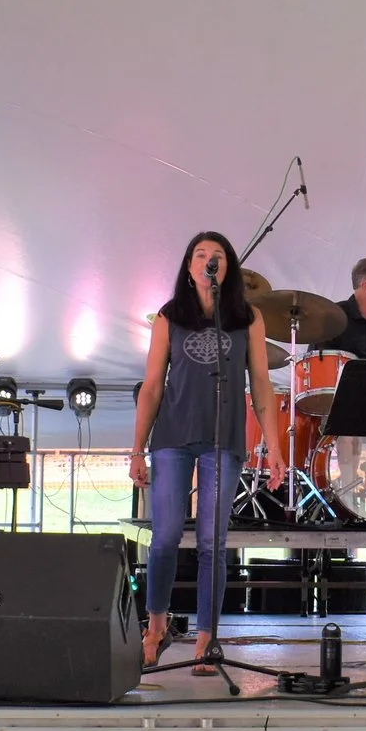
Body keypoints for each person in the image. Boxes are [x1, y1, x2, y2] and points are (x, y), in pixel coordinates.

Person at [130, 231, 290, 673]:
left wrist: (273, 446)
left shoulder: (247, 318)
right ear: (188, 267)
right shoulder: (169, 316)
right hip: (172, 437)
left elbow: (261, 384)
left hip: (224, 439)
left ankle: (205, 638)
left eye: (216, 255)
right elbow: (152, 386)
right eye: (199, 255)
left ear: (228, 267)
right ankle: (156, 626)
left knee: (211, 543)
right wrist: (135, 449)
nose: (207, 261)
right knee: (163, 537)